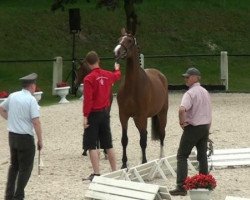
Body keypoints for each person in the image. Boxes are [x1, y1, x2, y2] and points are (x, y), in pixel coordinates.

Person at [169, 67, 212, 196]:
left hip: (193, 127)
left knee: (182, 155)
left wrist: (182, 123)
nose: (185, 79)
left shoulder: (190, 93)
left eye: (188, 77)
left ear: (195, 78)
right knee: (202, 155)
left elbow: (182, 110)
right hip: (205, 126)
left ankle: (181, 186)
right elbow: (209, 112)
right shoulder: (205, 92)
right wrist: (208, 129)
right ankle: (204, 182)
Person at [0, 73, 43, 200]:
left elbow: (1, 108)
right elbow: (36, 122)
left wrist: (10, 119)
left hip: (12, 136)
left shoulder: (13, 96)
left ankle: (9, 195)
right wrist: (40, 140)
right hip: (25, 137)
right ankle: (18, 196)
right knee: (26, 168)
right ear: (32, 86)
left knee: (14, 166)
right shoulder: (31, 100)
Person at [82, 51, 121, 181]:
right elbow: (117, 75)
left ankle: (97, 172)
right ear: (98, 60)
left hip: (93, 114)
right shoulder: (107, 75)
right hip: (105, 113)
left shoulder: (88, 79)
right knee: (108, 144)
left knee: (91, 144)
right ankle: (115, 171)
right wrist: (117, 69)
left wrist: (85, 115)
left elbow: (88, 99)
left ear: (88, 63)